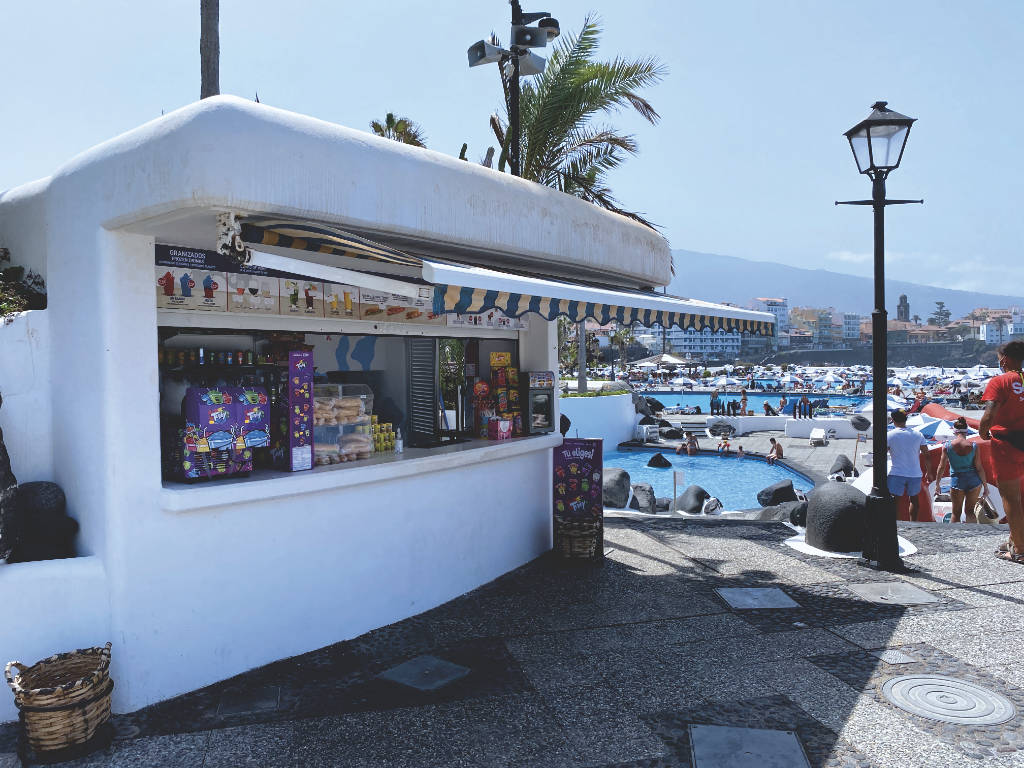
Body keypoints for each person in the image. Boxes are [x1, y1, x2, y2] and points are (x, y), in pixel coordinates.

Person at [980, 341, 1024, 562]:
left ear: (1004, 359)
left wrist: (982, 430)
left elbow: (990, 412)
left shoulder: (1000, 381)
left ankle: (1020, 550)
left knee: (1011, 497)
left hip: (1006, 443)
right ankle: (1016, 539)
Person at [936, 417, 988, 523]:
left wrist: (937, 484)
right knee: (970, 511)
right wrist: (985, 486)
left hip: (957, 480)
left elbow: (941, 466)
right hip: (974, 481)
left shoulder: (947, 446)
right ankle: (972, 536)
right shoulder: (974, 446)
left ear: (954, 431)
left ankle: (955, 537)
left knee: (956, 513)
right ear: (967, 431)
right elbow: (979, 468)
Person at [887, 409, 934, 522]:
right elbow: (927, 455)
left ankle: (895, 525)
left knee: (894, 501)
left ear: (893, 420)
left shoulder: (889, 435)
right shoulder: (918, 435)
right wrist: (929, 472)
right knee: (914, 500)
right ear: (906, 419)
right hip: (914, 473)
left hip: (896, 473)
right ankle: (913, 524)